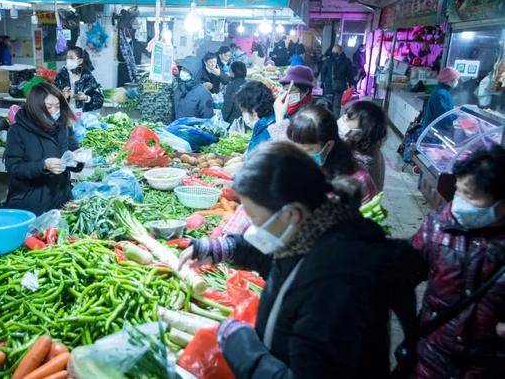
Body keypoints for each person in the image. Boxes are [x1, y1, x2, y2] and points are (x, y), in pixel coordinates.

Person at [178, 141, 420, 378]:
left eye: (255, 218)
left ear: (292, 214)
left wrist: (240, 344)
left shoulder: (335, 284)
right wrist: (228, 247)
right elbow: (283, 261)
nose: (252, 227)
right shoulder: (317, 228)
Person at [411, 145, 505, 379]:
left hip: (486, 369)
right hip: (431, 359)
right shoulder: (437, 227)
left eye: (469, 196)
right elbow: (406, 268)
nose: (458, 203)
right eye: (458, 192)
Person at [271, 102, 377, 205]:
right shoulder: (289, 165)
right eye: (293, 148)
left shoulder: (358, 181)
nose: (297, 157)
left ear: (329, 145)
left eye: (307, 150)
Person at [4, 83, 84, 216]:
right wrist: (43, 165)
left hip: (61, 200)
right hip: (30, 204)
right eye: (49, 107)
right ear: (35, 108)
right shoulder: (17, 131)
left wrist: (78, 159)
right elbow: (14, 167)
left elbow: (74, 152)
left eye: (58, 106)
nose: (54, 111)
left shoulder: (64, 127)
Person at [338, 100, 388, 192]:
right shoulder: (372, 149)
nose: (343, 119)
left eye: (349, 118)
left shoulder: (361, 160)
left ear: (363, 130)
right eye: (345, 115)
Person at [54, 47, 104, 112]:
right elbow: (51, 97)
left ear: (80, 61)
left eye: (71, 58)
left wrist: (86, 98)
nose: (68, 60)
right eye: (67, 58)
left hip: (83, 115)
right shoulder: (60, 76)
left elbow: (99, 100)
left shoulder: (87, 77)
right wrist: (62, 96)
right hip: (64, 114)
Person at [234, 81, 275, 153]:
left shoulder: (269, 132)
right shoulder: (265, 123)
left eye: (244, 111)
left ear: (253, 110)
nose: (243, 115)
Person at [422, 67, 460, 133]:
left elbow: (446, 110)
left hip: (435, 129)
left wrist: (457, 115)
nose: (456, 81)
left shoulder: (444, 91)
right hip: (433, 131)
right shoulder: (440, 94)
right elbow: (441, 116)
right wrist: (456, 122)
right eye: (455, 79)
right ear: (448, 80)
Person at [320, 44, 355, 117]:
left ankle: (331, 120)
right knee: (334, 104)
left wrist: (322, 81)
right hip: (335, 85)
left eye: (335, 52)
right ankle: (333, 120)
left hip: (333, 85)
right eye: (333, 52)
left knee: (332, 104)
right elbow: (349, 74)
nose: (333, 53)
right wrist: (351, 83)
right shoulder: (346, 61)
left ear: (340, 52)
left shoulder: (329, 60)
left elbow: (323, 71)